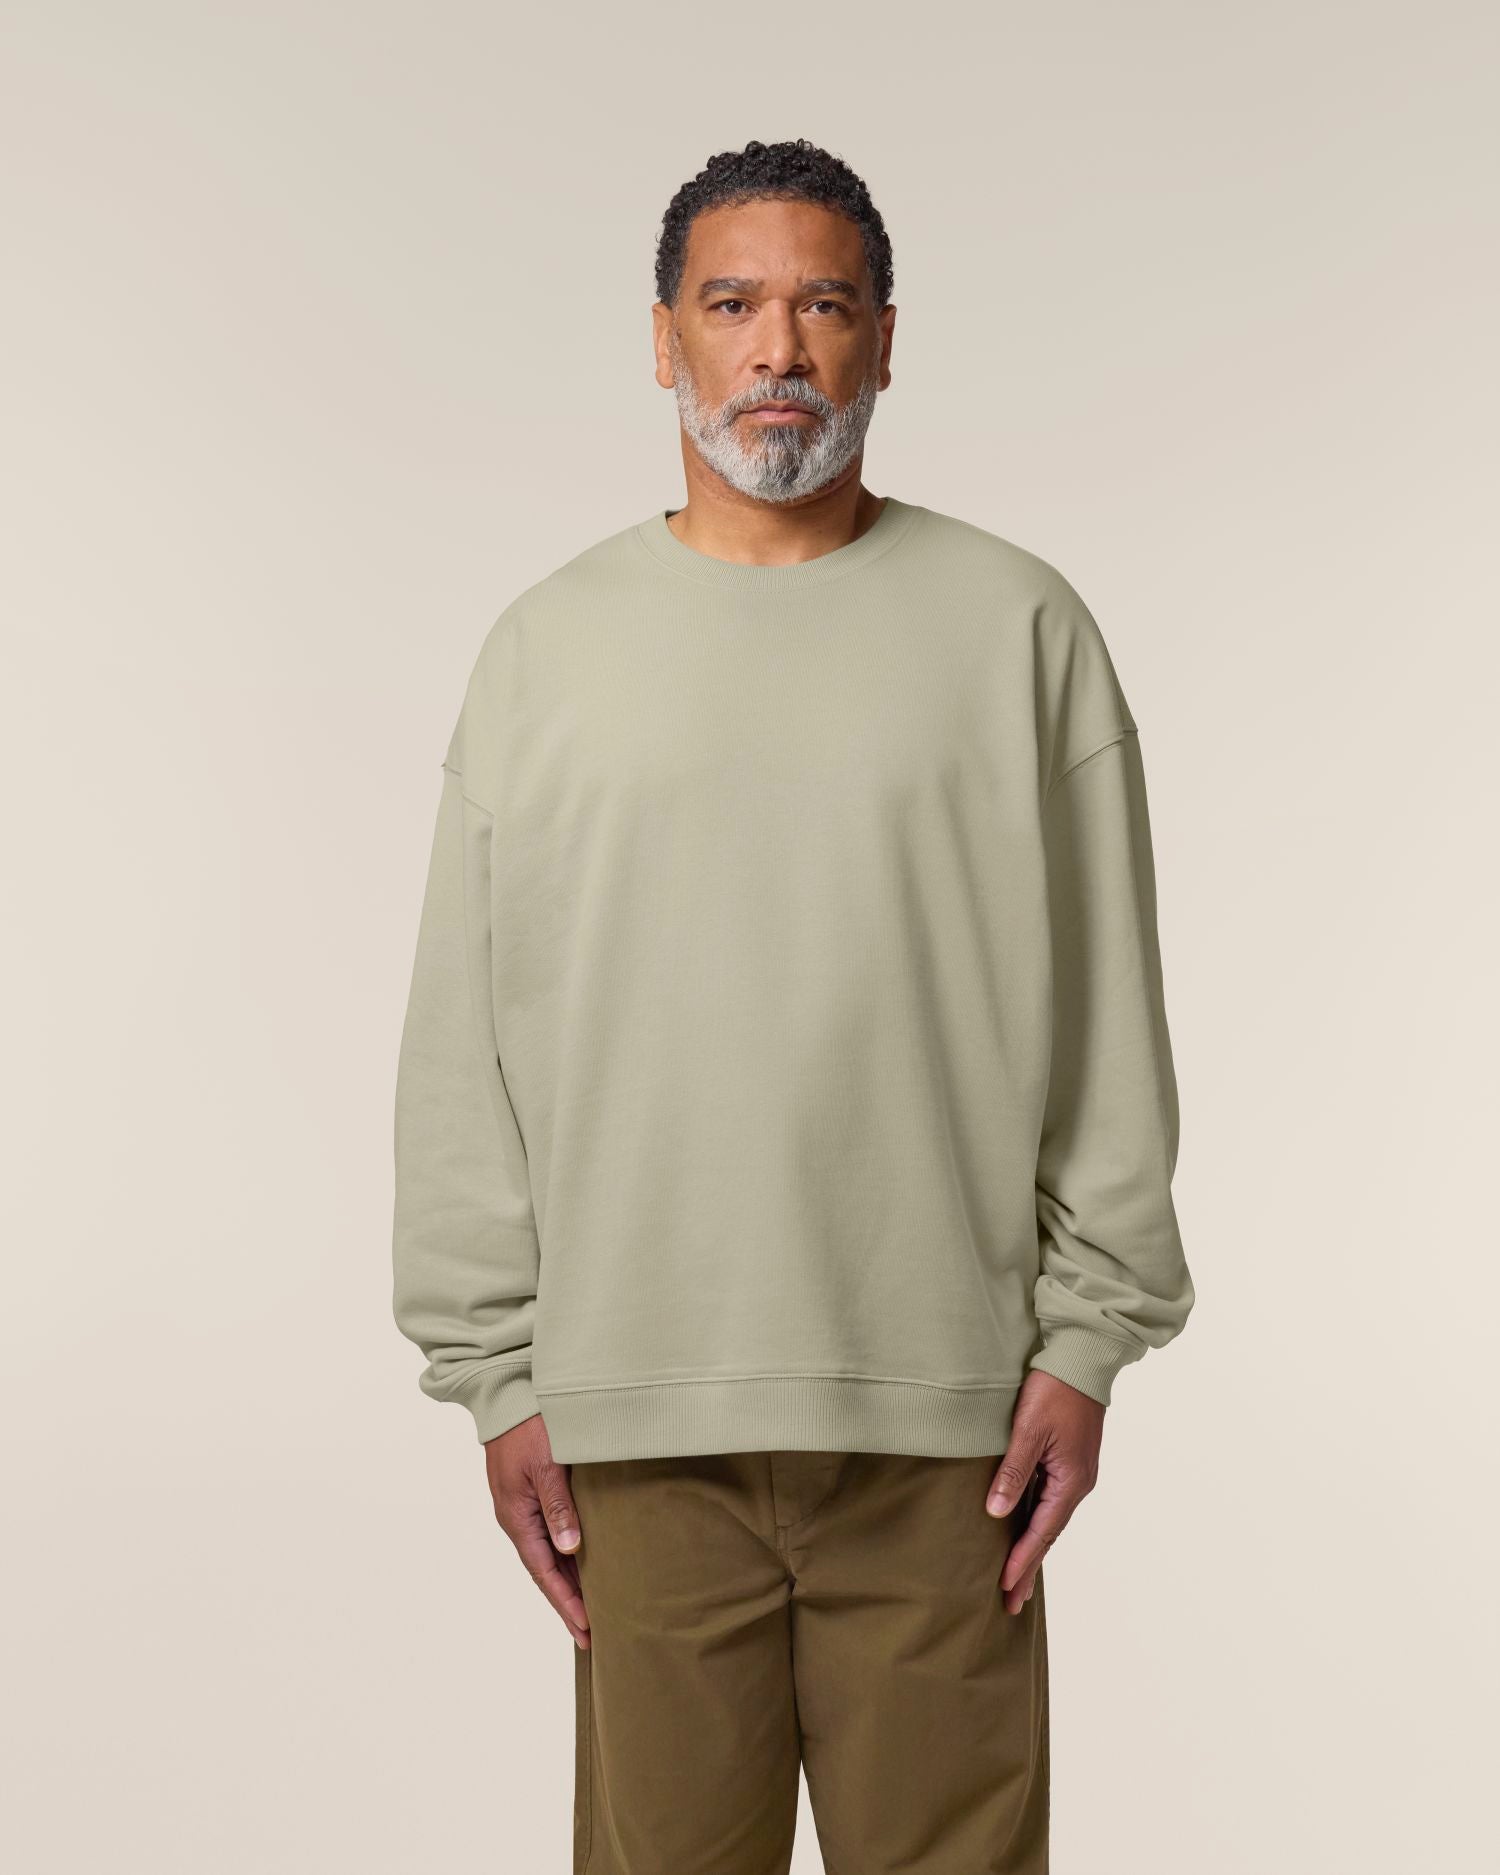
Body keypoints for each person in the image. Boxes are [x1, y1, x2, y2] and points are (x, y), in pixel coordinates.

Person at [391, 137, 1195, 1874]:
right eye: (732, 304)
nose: (778, 349)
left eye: (825, 306)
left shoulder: (1020, 629)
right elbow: (464, 1041)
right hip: (637, 1423)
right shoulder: (545, 652)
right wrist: (496, 1373)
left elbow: (1109, 1021)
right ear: (662, 339)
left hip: (948, 1425)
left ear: (885, 340)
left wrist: (1087, 1341)